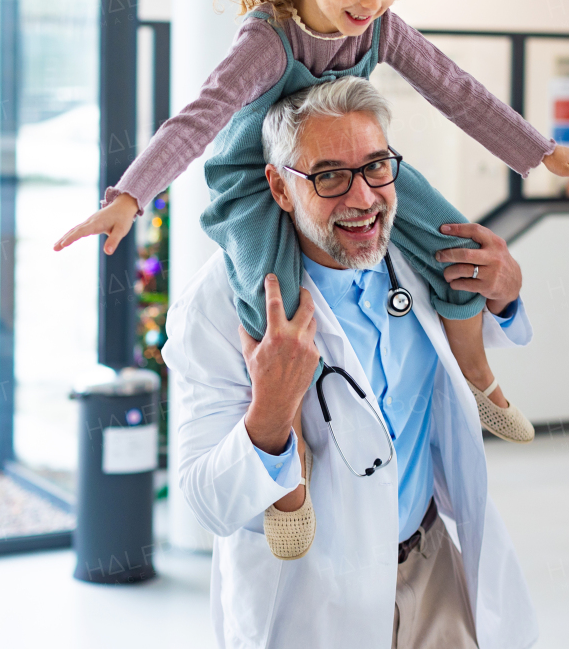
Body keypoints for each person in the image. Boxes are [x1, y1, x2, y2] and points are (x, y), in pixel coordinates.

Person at [56, 0, 569, 467]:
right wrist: (129, 197)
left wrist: (541, 151)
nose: (373, 2)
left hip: (351, 166)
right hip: (255, 177)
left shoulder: (380, 30)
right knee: (274, 293)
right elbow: (201, 117)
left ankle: (477, 377)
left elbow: (455, 89)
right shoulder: (268, 40)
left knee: (456, 241)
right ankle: (286, 446)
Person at [165, 77, 537, 649]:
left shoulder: (415, 261)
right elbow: (206, 502)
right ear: (280, 188)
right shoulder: (220, 305)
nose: (363, 198)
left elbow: (476, 339)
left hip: (428, 562)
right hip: (312, 594)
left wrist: (506, 296)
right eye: (329, 176)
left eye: (376, 167)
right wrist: (270, 410)